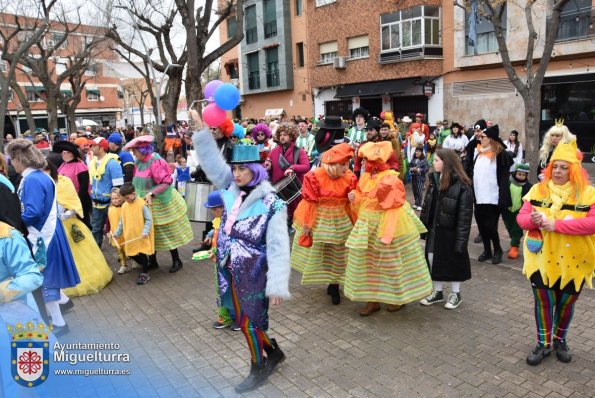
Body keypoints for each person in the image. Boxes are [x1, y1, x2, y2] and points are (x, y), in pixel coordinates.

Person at [191, 110, 290, 393]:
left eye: (241, 169)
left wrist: (277, 285)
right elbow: (212, 162)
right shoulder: (231, 190)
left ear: (255, 170)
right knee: (248, 318)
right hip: (230, 266)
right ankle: (274, 352)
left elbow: (279, 247)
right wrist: (200, 129)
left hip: (256, 272)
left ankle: (257, 368)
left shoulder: (272, 203)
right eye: (234, 169)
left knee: (248, 322)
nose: (235, 174)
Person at [516, 139, 594, 366]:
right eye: (555, 166)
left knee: (566, 303)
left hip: (576, 261)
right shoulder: (537, 190)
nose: (558, 171)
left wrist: (555, 225)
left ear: (574, 169)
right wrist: (531, 220)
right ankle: (543, 343)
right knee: (544, 301)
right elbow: (521, 218)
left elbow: (593, 223)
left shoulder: (588, 194)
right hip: (541, 259)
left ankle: (560, 339)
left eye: (564, 167)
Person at [345, 141, 432, 316]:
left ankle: (396, 298)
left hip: (386, 226)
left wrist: (387, 233)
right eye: (365, 161)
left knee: (390, 263)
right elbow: (363, 200)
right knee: (368, 264)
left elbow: (393, 207)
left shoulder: (390, 178)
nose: (365, 164)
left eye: (369, 161)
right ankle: (373, 300)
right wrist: (355, 197)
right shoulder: (365, 178)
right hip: (367, 226)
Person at [6, 139, 80, 336]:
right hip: (49, 233)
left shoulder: (31, 179)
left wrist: (13, 222)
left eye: (12, 159)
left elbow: (33, 212)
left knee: (45, 280)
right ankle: (62, 306)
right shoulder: (40, 176)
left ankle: (59, 324)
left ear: (19, 158)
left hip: (42, 236)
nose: (11, 163)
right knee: (48, 277)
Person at [291, 143, 357, 306]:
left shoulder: (350, 177)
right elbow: (311, 202)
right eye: (342, 164)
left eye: (347, 164)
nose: (345, 167)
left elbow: (355, 200)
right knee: (323, 252)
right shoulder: (314, 177)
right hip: (320, 219)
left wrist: (354, 197)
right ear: (332, 164)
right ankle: (329, 281)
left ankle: (334, 284)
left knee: (339, 252)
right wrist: (308, 224)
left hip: (341, 220)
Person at [123, 135, 193, 273]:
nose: (133, 153)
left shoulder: (156, 162)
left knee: (167, 231)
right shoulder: (138, 162)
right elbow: (136, 181)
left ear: (143, 150)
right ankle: (153, 261)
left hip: (160, 201)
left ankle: (176, 260)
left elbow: (166, 182)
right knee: (149, 232)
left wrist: (151, 193)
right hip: (144, 202)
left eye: (135, 150)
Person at [44, 163, 113, 297]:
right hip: (51, 227)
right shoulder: (40, 186)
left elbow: (74, 204)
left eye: (45, 170)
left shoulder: (63, 183)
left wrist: (64, 215)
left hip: (68, 224)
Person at [419, 149, 473, 309]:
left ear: (446, 162)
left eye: (436, 160)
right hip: (434, 229)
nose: (433, 163)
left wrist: (461, 240)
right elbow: (426, 205)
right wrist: (423, 226)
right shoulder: (434, 180)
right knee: (432, 259)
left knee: (453, 262)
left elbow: (465, 216)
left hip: (451, 232)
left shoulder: (462, 186)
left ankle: (456, 293)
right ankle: (437, 292)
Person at [471, 125, 512, 264]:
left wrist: (503, 198)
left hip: (493, 198)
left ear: (492, 139)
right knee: (482, 226)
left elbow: (504, 179)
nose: (480, 138)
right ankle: (487, 250)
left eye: (483, 137)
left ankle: (497, 249)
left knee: (490, 226)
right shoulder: (479, 153)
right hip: (479, 196)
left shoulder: (500, 155)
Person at [200, 190, 238, 331]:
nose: (213, 212)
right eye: (212, 209)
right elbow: (215, 228)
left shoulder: (232, 222)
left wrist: (214, 251)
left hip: (230, 264)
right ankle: (225, 317)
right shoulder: (219, 220)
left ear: (224, 208)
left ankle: (239, 318)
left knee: (233, 291)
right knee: (221, 290)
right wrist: (210, 235)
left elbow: (230, 244)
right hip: (219, 263)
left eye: (215, 209)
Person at [264, 123, 310, 229]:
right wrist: (267, 164)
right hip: (277, 188)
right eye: (280, 135)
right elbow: (268, 164)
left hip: (294, 190)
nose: (282, 137)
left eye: (285, 134)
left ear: (291, 136)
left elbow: (306, 167)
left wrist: (293, 168)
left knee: (295, 216)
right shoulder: (274, 151)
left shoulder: (299, 151)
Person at [113, 183, 155, 285]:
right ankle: (145, 265)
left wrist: (145, 232)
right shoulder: (125, 206)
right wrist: (117, 233)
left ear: (133, 193)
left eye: (127, 198)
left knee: (142, 253)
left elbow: (149, 220)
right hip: (130, 236)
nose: (127, 200)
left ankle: (145, 273)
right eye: (125, 199)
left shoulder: (142, 204)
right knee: (130, 253)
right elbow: (122, 222)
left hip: (141, 236)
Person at [89, 137, 124, 248]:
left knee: (116, 228)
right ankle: (96, 252)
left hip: (110, 203)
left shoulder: (112, 163)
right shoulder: (93, 162)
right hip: (96, 203)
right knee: (96, 229)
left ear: (101, 148)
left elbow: (118, 185)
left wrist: (115, 201)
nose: (91, 148)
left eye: (93, 146)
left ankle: (124, 252)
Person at [54, 141, 92, 228]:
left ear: (71, 154)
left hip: (79, 201)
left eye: (65, 153)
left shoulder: (80, 166)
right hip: (65, 202)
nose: (63, 155)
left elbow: (83, 187)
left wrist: (75, 203)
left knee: (83, 225)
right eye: (62, 153)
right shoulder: (63, 165)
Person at [502, 163, 532, 260]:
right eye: (519, 174)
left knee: (516, 229)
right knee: (509, 226)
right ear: (515, 173)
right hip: (507, 209)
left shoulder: (528, 186)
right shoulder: (508, 182)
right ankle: (513, 241)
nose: (521, 177)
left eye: (524, 175)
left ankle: (514, 247)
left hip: (519, 212)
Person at [107, 188, 131, 274]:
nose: (115, 200)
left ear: (121, 197)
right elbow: (108, 221)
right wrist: (108, 231)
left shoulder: (125, 207)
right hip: (116, 234)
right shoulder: (110, 209)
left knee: (129, 248)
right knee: (119, 250)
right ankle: (123, 265)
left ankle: (135, 260)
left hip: (126, 233)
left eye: (116, 198)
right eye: (113, 199)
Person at [409, 145, 429, 211]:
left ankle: (420, 204)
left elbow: (426, 169)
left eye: (419, 151)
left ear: (421, 152)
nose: (417, 153)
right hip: (413, 177)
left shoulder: (424, 160)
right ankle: (416, 203)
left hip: (420, 178)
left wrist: (419, 170)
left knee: (419, 191)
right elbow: (410, 166)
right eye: (416, 151)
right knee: (414, 190)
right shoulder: (413, 159)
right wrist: (411, 169)